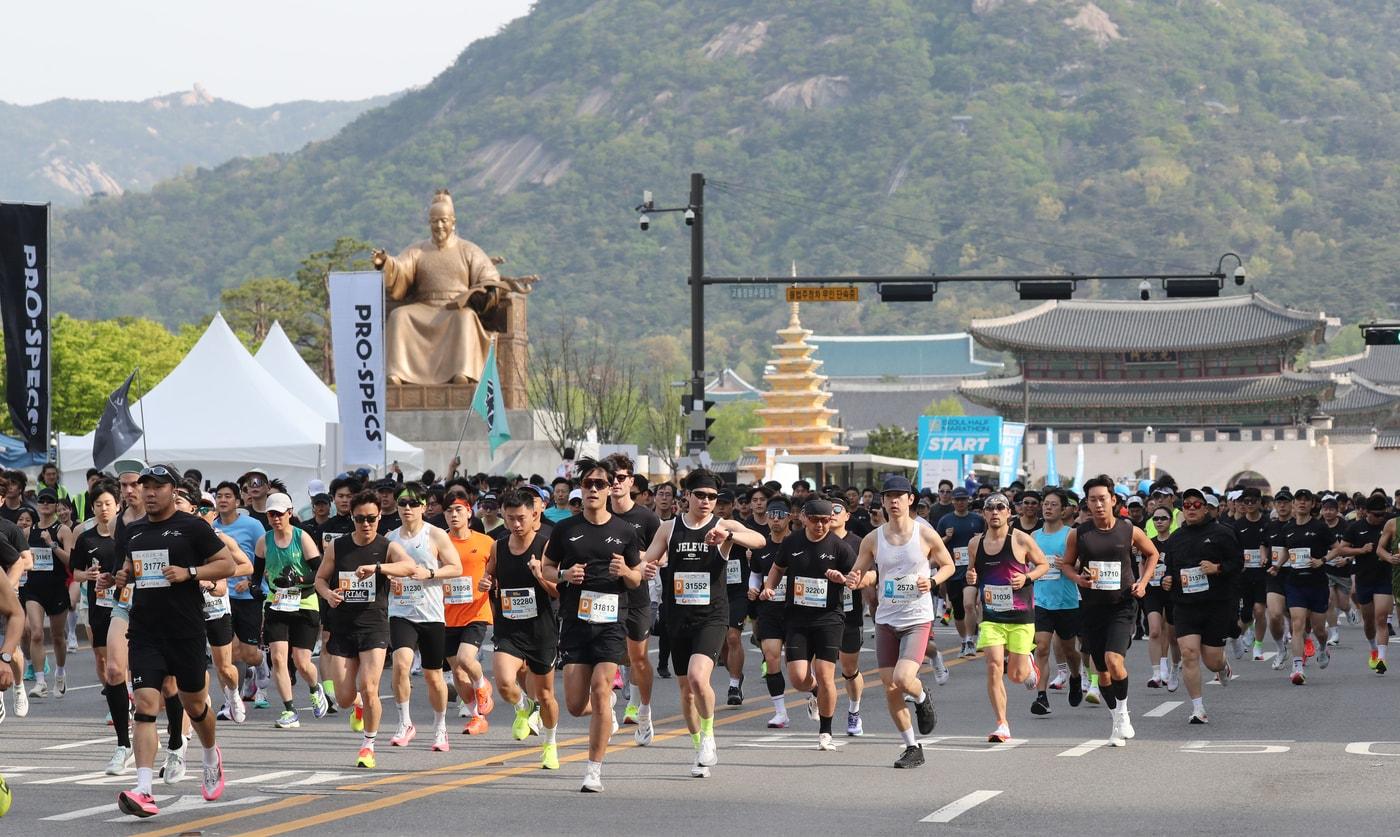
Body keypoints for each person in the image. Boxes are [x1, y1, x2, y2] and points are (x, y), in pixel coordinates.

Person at [114, 465, 238, 818]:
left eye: (157, 486)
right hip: (145, 631)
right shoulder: (134, 532)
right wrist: (121, 576)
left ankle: (211, 754)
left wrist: (190, 573)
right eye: (145, 486)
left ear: (172, 490)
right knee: (145, 703)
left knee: (195, 704)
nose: (150, 492)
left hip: (184, 631)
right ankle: (143, 788)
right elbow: (128, 570)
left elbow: (226, 564)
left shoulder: (193, 527)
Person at [641, 469, 765, 778]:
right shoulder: (669, 528)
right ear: (687, 497)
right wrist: (639, 567)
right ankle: (698, 746)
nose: (707, 501)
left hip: (712, 616)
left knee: (699, 678)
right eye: (701, 495)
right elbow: (648, 558)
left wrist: (730, 536)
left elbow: (759, 540)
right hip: (678, 617)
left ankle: (709, 735)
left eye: (713, 497)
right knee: (687, 692)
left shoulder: (723, 525)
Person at [542, 457, 643, 793]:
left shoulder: (625, 531)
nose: (595, 490)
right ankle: (607, 709)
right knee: (573, 704)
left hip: (612, 620)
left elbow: (637, 577)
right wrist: (564, 576)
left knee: (601, 690)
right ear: (581, 489)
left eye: (601, 484)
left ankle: (593, 770)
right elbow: (546, 569)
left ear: (610, 488)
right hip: (574, 621)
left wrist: (625, 573)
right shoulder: (565, 530)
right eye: (589, 484)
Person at [846, 476, 952, 768]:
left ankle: (921, 695)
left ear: (910, 500)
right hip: (886, 620)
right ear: (882, 501)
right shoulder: (873, 538)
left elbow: (948, 566)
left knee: (903, 679)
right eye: (888, 496)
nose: (893, 501)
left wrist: (932, 581)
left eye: (899, 496)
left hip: (917, 618)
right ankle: (912, 746)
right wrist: (852, 579)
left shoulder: (925, 534)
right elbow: (859, 573)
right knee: (889, 686)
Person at [313, 490, 416, 768]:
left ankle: (368, 745)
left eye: (371, 518)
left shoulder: (386, 546)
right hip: (342, 627)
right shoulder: (338, 546)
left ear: (379, 516)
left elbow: (409, 567)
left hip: (374, 627)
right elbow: (320, 579)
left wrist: (379, 568)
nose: (366, 524)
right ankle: (357, 705)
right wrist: (327, 594)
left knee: (370, 687)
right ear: (352, 518)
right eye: (360, 519)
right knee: (345, 697)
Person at [1060, 475, 1158, 748]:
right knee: (1101, 673)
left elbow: (1152, 554)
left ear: (1113, 500)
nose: (1099, 504)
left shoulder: (1128, 529)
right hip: (1092, 608)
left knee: (1114, 661)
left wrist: (1143, 582)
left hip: (1122, 605)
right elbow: (1067, 564)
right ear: (1087, 504)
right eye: (1093, 500)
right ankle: (1116, 718)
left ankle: (1124, 713)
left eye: (1103, 499)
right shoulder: (1078, 533)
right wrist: (1077, 578)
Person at [760, 497, 858, 752]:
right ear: (804, 518)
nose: (820, 525)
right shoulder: (792, 542)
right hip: (797, 618)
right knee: (799, 679)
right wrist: (769, 588)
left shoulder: (839, 547)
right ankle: (814, 692)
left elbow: (858, 577)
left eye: (826, 521)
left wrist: (844, 578)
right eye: (815, 520)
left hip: (829, 618)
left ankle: (825, 731)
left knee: (826, 676)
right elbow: (777, 568)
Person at [481, 489, 561, 768]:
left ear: (534, 515)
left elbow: (557, 592)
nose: (516, 524)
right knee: (503, 681)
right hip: (509, 627)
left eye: (521, 518)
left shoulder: (546, 546)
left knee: (547, 694)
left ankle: (550, 743)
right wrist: (486, 582)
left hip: (541, 629)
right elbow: (489, 573)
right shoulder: (498, 546)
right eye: (510, 518)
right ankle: (522, 707)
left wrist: (540, 574)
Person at [965, 493, 1049, 742]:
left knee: (1016, 676)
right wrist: (971, 578)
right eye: (989, 508)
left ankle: (1028, 665)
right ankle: (1002, 724)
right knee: (993, 665)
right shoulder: (975, 544)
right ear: (983, 514)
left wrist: (1027, 577)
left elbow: (1043, 564)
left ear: (1009, 513)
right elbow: (974, 573)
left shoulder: (1021, 540)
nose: (994, 512)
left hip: (1021, 615)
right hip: (991, 615)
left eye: (1000, 507)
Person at [385, 484, 460, 752]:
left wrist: (429, 574)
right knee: (401, 663)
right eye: (402, 503)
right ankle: (405, 722)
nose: (407, 508)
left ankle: (440, 727)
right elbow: (386, 571)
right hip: (401, 611)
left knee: (433, 676)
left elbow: (456, 567)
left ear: (423, 507)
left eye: (413, 503)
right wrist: (391, 580)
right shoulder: (391, 537)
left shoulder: (436, 535)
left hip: (430, 614)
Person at [1161, 488, 1243, 724]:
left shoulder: (1222, 533)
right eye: (1187, 505)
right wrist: (1167, 580)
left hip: (1215, 605)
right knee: (1188, 654)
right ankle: (1198, 708)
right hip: (1185, 605)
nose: (1191, 509)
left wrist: (1218, 569)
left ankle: (1223, 665)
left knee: (1212, 661)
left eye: (1197, 504)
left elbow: (1237, 564)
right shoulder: (1176, 538)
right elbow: (1170, 570)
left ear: (1206, 508)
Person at [256, 492, 331, 730]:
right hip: (277, 603)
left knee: (301, 662)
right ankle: (289, 711)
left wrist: (298, 578)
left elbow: (320, 573)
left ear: (290, 513)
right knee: (278, 659)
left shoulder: (302, 538)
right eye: (272, 514)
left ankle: (314, 687)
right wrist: (253, 587)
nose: (276, 518)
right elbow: (256, 576)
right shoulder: (264, 541)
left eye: (280, 513)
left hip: (305, 603)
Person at [603, 454, 662, 744]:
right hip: (603, 595)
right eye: (609, 479)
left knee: (637, 658)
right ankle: (609, 710)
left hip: (637, 594)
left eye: (621, 478)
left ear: (631, 481)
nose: (615, 483)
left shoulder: (646, 518)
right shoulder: (597, 513)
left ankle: (644, 711)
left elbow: (660, 551)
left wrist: (648, 563)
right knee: (605, 655)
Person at [71, 481, 129, 772]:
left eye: (108, 503)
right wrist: (89, 575)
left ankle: (127, 695)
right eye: (98, 505)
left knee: (122, 662)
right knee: (104, 660)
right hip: (100, 605)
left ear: (117, 505)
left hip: (129, 606)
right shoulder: (86, 538)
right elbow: (76, 571)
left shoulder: (128, 535)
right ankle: (119, 699)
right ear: (92, 509)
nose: (104, 509)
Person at [212, 482, 270, 710]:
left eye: (228, 496)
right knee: (230, 651)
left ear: (238, 501)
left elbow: (264, 558)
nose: (223, 500)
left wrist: (250, 581)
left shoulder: (252, 525)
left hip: (249, 596)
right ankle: (231, 700)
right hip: (222, 598)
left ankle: (261, 662)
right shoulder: (212, 528)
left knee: (247, 652)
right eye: (219, 496)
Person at [441, 496, 496, 734]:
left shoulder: (486, 542)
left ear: (469, 513)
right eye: (449, 511)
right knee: (457, 673)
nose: (454, 515)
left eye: (458, 510)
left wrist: (489, 582)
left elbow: (496, 573)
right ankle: (476, 716)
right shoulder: (439, 542)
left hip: (476, 611)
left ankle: (482, 683)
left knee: (466, 659)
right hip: (445, 614)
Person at [1030, 489, 1084, 714]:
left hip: (1067, 601)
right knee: (1041, 647)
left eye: (1053, 504)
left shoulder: (1071, 534)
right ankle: (1041, 697)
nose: (1048, 507)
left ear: (1063, 510)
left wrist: (1068, 565)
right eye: (1046, 504)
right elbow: (1029, 564)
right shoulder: (1034, 536)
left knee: (1069, 650)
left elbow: (1080, 563)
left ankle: (1075, 676)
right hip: (1041, 600)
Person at [1275, 489, 1334, 684]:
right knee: (1297, 624)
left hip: (1317, 584)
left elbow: (1338, 548)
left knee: (1318, 628)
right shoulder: (1288, 528)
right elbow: (1286, 551)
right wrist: (1277, 565)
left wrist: (1322, 560)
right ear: (1294, 504)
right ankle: (1297, 667)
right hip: (1295, 583)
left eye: (1306, 500)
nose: (1302, 503)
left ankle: (1323, 645)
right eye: (1298, 500)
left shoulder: (1320, 527)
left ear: (1312, 504)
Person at [748, 495, 794, 728]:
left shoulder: (798, 543)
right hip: (769, 609)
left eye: (780, 516)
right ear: (766, 518)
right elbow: (756, 573)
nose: (775, 520)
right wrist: (753, 588)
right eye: (771, 515)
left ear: (789, 518)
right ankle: (780, 712)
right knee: (772, 655)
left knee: (799, 670)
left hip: (797, 610)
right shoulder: (761, 547)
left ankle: (814, 691)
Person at [20, 491, 72, 700]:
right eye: (42, 500)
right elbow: (21, 560)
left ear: (55, 505)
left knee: (58, 637)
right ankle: (40, 681)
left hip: (57, 588)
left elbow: (70, 562)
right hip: (34, 589)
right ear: (38, 504)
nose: (46, 504)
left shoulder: (63, 530)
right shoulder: (27, 532)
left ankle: (60, 673)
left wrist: (52, 544)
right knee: (37, 633)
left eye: (50, 501)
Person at [937, 487, 985, 658]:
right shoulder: (945, 521)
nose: (960, 502)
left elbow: (988, 542)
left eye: (963, 499)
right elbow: (937, 546)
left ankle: (971, 639)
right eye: (957, 500)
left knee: (969, 604)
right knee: (958, 610)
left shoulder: (978, 520)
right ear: (952, 501)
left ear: (968, 501)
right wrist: (947, 538)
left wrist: (980, 538)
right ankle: (964, 640)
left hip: (972, 570)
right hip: (953, 571)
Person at [1351, 495, 1393, 673]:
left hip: (1384, 578)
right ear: (1366, 513)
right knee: (1369, 622)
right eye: (1376, 515)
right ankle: (1373, 649)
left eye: (1382, 515)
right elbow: (1341, 549)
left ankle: (1382, 658)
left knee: (1381, 618)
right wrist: (1360, 550)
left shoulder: (1389, 526)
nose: (1380, 518)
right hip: (1364, 579)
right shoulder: (1356, 527)